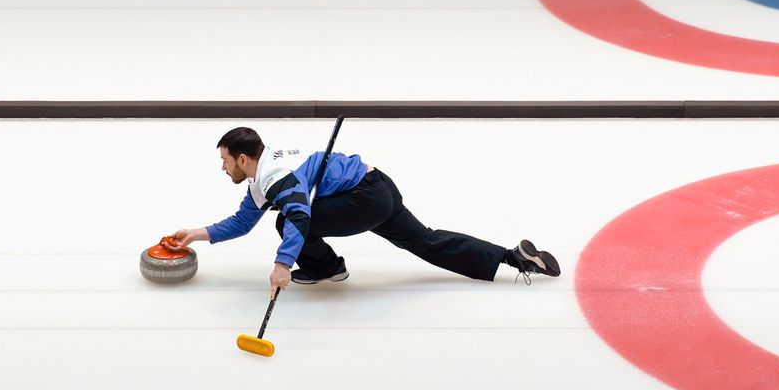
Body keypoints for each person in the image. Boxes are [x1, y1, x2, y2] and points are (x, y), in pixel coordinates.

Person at [168, 127, 560, 291]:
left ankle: (326, 267)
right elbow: (241, 222)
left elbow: (301, 218)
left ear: (241, 158)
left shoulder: (274, 176)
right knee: (425, 240)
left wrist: (283, 264)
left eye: (224, 161)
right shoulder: (264, 173)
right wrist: (197, 234)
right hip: (376, 186)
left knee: (289, 219)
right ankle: (514, 259)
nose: (222, 168)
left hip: (364, 198)